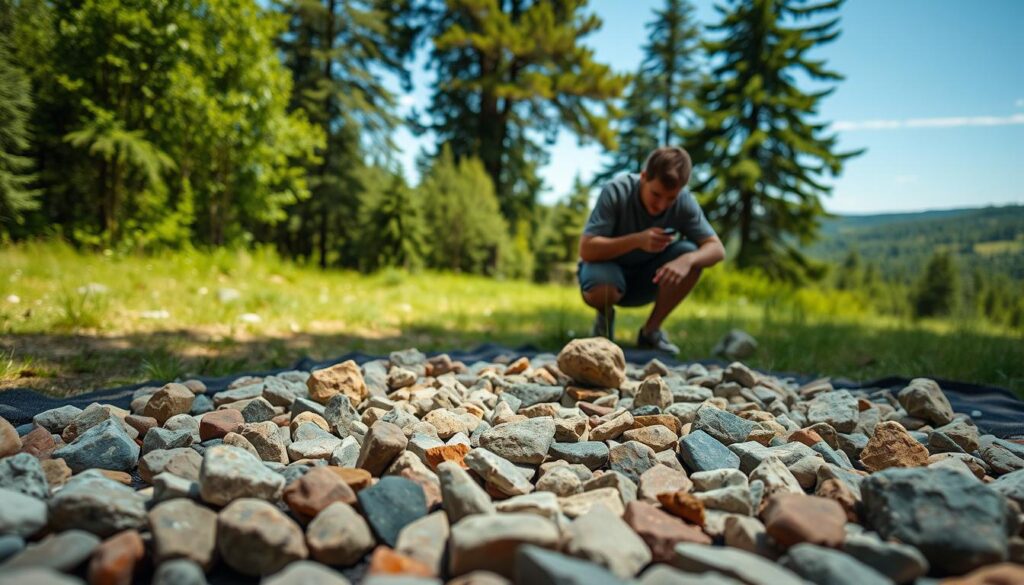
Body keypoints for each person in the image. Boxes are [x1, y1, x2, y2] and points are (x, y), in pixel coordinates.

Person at [577, 146, 726, 354]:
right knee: (603, 287)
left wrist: (688, 260)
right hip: (606, 276)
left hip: (649, 279)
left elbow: (717, 249)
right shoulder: (616, 190)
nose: (662, 205)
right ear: (644, 176)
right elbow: (586, 249)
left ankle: (651, 332)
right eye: (656, 194)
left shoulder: (684, 202)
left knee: (691, 253)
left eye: (670, 198)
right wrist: (637, 240)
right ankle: (604, 319)